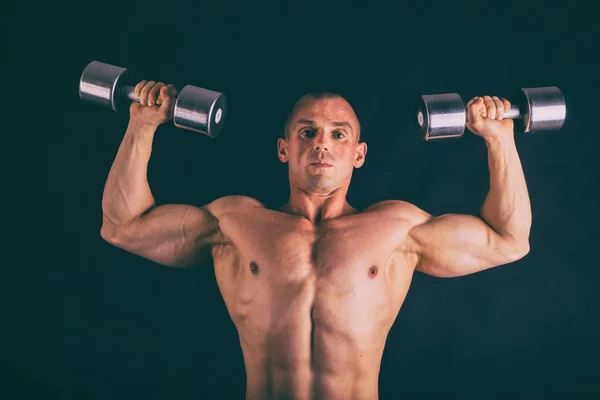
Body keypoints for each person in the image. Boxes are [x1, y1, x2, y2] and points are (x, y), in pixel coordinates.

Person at [100, 79, 531, 400]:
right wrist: (142, 125)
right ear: (284, 149)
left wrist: (499, 139)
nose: (321, 143)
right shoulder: (236, 222)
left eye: (338, 134)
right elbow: (122, 225)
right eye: (307, 132)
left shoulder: (397, 230)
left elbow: (509, 239)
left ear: (358, 154)